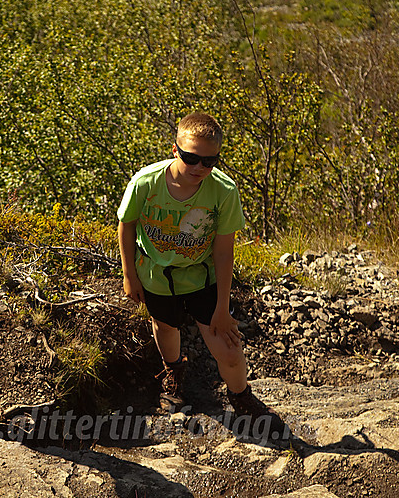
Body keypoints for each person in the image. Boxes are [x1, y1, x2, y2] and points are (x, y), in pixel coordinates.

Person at [117, 112, 284, 435]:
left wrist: (222, 308)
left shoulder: (223, 190)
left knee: (229, 350)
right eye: (191, 158)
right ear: (176, 149)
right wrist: (129, 274)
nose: (198, 168)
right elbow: (127, 225)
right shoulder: (146, 182)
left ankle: (242, 398)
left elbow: (224, 251)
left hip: (202, 278)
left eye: (208, 162)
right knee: (166, 327)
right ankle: (174, 372)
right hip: (156, 275)